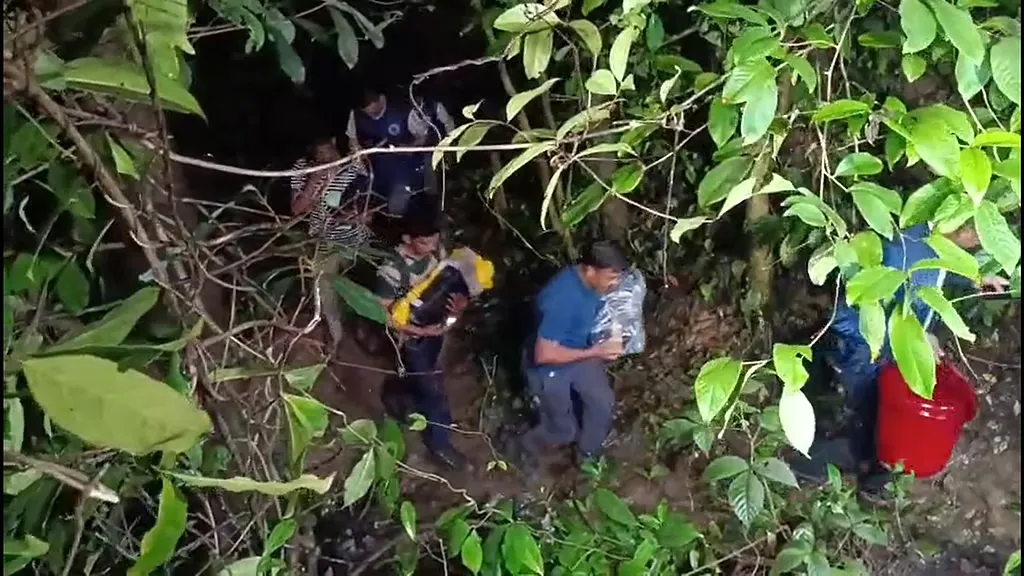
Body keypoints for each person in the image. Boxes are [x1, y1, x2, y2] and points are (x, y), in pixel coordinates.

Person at [793, 222, 1009, 493]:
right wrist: (922, 337)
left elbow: (939, 271)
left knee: (875, 407)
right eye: (977, 235)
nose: (979, 243)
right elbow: (888, 304)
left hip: (883, 340)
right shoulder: (906, 251)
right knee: (865, 411)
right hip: (865, 342)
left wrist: (975, 279)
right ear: (959, 227)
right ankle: (822, 467)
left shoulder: (930, 236)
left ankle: (868, 466)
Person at [512, 241, 629, 478]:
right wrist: (596, 352)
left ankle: (588, 456)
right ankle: (523, 448)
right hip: (550, 367)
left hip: (580, 351)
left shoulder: (596, 285)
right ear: (589, 270)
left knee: (602, 403)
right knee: (563, 430)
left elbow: (608, 310)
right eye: (610, 278)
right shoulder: (560, 300)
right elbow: (543, 354)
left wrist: (613, 334)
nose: (615, 284)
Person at [375, 216, 469, 470]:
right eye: (425, 242)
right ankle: (439, 445)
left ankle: (399, 399)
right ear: (407, 239)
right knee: (434, 392)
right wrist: (419, 330)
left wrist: (459, 305)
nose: (432, 246)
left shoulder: (436, 253)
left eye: (435, 239)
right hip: (411, 339)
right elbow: (382, 315)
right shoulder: (390, 271)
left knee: (420, 378)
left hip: (434, 329)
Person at [290, 135, 376, 353]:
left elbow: (370, 203)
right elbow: (297, 210)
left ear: (334, 142)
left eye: (327, 150)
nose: (324, 156)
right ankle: (336, 336)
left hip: (357, 236)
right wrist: (314, 181)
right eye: (318, 153)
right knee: (323, 285)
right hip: (325, 238)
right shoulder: (303, 168)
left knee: (367, 281)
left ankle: (365, 327)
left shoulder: (353, 164)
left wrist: (361, 216)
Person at [346, 88, 439, 217]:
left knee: (398, 205)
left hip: (407, 165)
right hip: (375, 166)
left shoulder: (403, 110)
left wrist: (409, 147)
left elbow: (423, 138)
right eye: (365, 111)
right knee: (361, 199)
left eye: (372, 110)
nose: (370, 114)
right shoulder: (356, 115)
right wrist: (359, 157)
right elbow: (353, 141)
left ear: (381, 100)